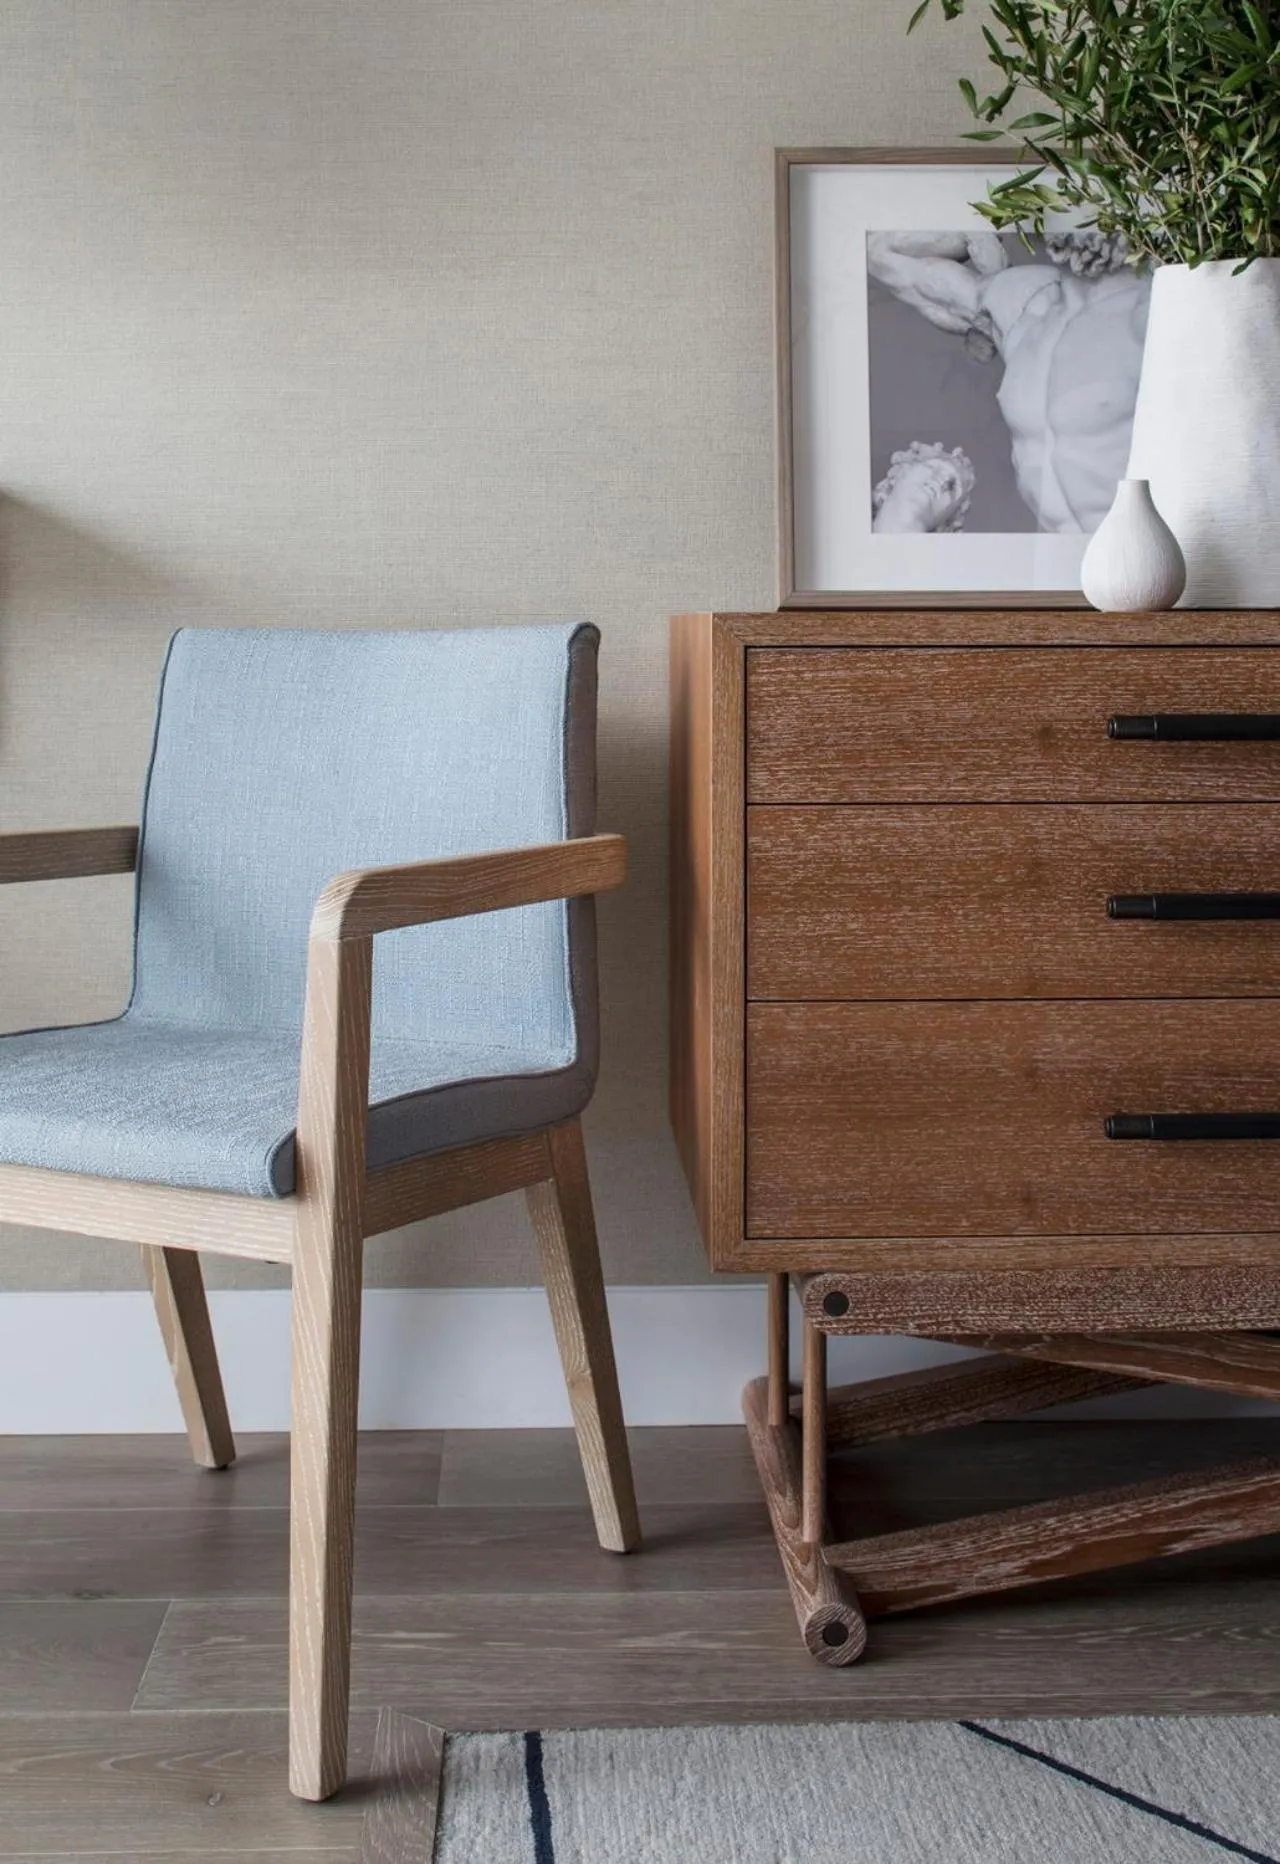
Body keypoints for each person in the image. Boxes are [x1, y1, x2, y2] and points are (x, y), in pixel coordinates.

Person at [867, 228, 1149, 533]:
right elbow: (883, 256)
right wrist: (976, 227)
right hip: (1064, 556)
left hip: (1150, 554)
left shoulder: (1152, 305)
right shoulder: (1024, 301)